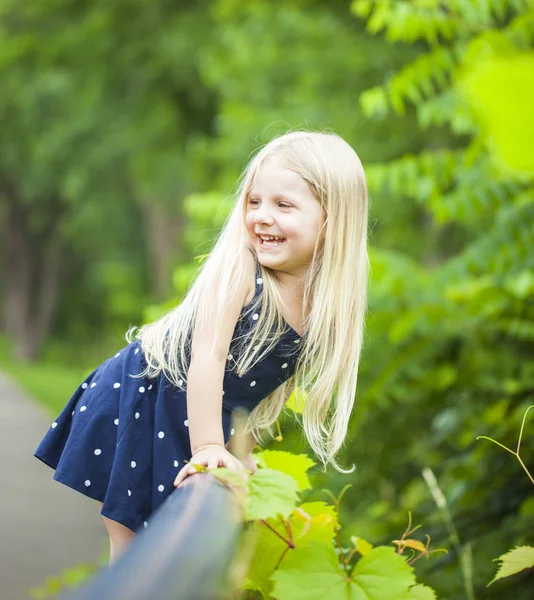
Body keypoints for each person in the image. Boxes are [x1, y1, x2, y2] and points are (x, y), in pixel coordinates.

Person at [34, 129, 369, 564]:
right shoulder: (241, 270)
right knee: (133, 544)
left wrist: (237, 450)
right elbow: (208, 359)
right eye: (254, 201)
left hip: (194, 416)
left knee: (182, 551)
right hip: (145, 393)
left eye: (283, 205)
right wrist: (208, 445)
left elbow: (262, 385)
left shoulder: (323, 306)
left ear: (333, 219)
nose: (262, 217)